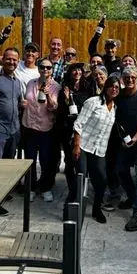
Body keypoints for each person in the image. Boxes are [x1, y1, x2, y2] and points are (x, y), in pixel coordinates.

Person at [72, 76, 120, 224]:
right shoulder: (93, 102)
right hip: (83, 146)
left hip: (99, 149)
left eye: (117, 87)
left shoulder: (115, 108)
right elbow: (79, 124)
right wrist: (76, 145)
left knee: (101, 180)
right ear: (105, 87)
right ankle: (71, 209)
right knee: (80, 178)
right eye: (111, 86)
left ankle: (96, 209)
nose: (114, 89)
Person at [114, 67, 137, 231]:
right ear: (122, 79)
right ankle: (132, 196)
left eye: (132, 77)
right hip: (123, 141)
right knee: (121, 170)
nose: (130, 80)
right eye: (127, 77)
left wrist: (135, 139)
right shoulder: (119, 96)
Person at [22, 58, 61, 202]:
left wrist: (48, 94)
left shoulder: (56, 86)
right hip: (29, 125)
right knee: (30, 160)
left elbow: (54, 108)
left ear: (52, 70)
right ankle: (31, 187)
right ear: (38, 69)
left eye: (48, 68)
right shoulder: (30, 83)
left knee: (46, 160)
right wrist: (23, 104)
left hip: (46, 128)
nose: (45, 70)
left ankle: (45, 187)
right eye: (42, 67)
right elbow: (26, 100)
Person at [58, 62, 93, 203]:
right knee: (69, 162)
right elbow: (60, 110)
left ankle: (78, 192)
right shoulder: (64, 88)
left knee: (81, 163)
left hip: (84, 129)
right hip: (68, 129)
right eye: (74, 70)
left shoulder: (88, 87)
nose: (77, 72)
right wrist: (66, 98)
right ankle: (72, 191)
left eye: (79, 70)